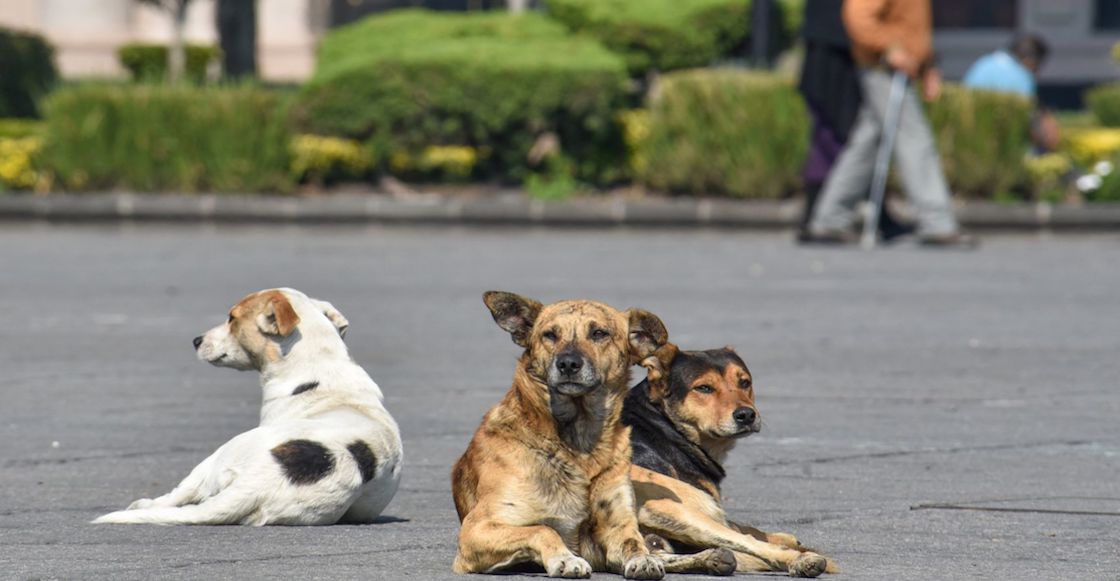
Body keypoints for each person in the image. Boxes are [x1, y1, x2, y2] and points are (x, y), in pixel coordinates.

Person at [805, 0, 977, 247]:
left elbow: (911, 25)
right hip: (883, 69)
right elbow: (858, 15)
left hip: (894, 69)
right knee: (914, 139)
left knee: (867, 143)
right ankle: (937, 223)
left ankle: (829, 219)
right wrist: (890, 49)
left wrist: (927, 65)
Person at [797, 0, 913, 243]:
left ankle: (823, 217)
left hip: (834, 47)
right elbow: (858, 16)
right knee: (843, 136)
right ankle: (824, 217)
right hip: (836, 52)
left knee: (841, 136)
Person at [964, 34, 1059, 154]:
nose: (1037, 73)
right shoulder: (1022, 77)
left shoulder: (982, 64)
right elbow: (1027, 120)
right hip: (1002, 149)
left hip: (970, 142)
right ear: (1030, 60)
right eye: (1037, 67)